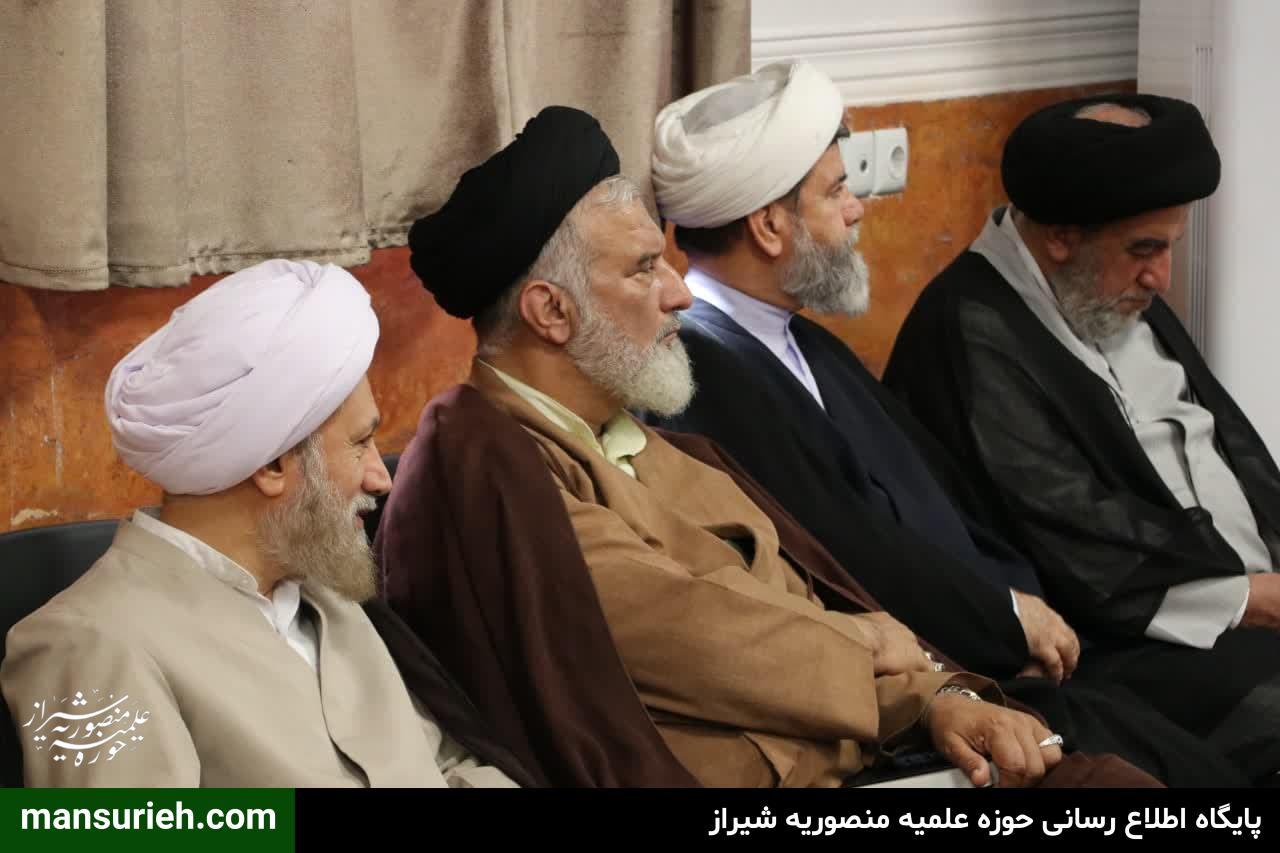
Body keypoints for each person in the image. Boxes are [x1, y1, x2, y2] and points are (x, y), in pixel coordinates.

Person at [390, 104, 1162, 789]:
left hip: (870, 745)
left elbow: (792, 597)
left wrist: (937, 701)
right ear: (551, 312)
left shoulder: (648, 441)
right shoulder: (487, 462)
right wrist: (867, 643)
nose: (679, 293)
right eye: (644, 269)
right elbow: (686, 631)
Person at [642, 61, 1250, 787]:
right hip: (932, 694)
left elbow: (948, 495)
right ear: (770, 227)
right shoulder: (707, 375)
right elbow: (847, 552)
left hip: (1007, 656)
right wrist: (1006, 619)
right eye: (835, 191)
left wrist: (1021, 605)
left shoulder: (800, 340)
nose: (857, 209)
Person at [0, 259, 531, 788]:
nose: (381, 478)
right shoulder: (88, 644)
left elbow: (445, 767)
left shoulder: (325, 591)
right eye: (360, 443)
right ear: (273, 464)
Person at [883, 93, 1280, 784]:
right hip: (1112, 648)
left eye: (1169, 246)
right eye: (1144, 249)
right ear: (1062, 237)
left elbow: (1223, 446)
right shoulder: (969, 330)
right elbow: (1072, 546)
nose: (1162, 276)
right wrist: (1249, 598)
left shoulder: (1106, 291)